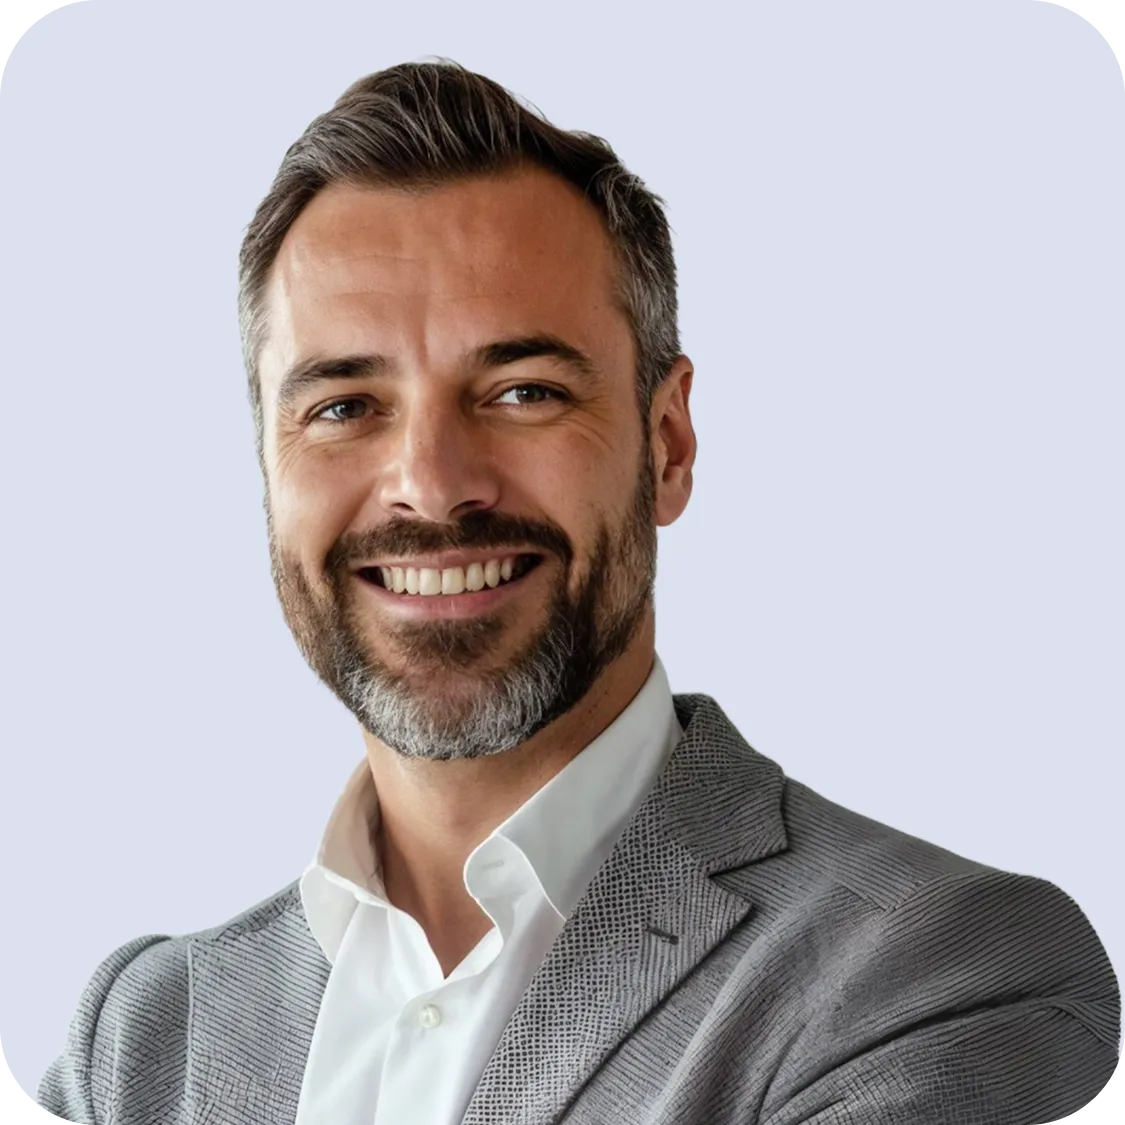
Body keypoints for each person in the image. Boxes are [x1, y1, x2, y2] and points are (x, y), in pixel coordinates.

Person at [37, 59, 1119, 1125]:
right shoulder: (144, 1041)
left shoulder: (937, 977)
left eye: (522, 392)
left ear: (668, 443)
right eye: (344, 407)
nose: (432, 486)